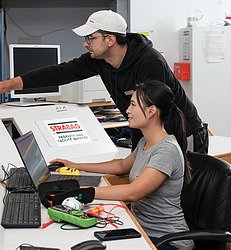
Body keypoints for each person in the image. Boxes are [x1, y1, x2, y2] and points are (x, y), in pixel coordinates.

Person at [0, 10, 208, 154]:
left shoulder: (149, 62)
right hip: (149, 136)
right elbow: (57, 73)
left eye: (90, 38)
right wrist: (4, 86)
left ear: (110, 40)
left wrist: (138, 156)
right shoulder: (99, 61)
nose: (85, 43)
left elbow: (153, 117)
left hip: (180, 135)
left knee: (184, 201)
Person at [51, 81, 194, 250]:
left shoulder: (166, 150)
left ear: (151, 111)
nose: (128, 110)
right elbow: (120, 166)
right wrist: (75, 165)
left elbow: (133, 192)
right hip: (140, 227)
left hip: (165, 239)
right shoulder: (145, 142)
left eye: (133, 105)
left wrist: (85, 192)